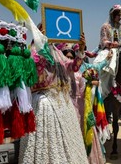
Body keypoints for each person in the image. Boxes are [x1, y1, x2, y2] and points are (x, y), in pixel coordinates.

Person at [19, 32, 88, 163]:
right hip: (44, 102)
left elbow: (73, 67)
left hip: (63, 103)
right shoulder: (33, 50)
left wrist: (81, 49)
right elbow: (36, 69)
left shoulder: (57, 52)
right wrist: (41, 45)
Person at [94, 4, 121, 123]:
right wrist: (113, 45)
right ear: (112, 14)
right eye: (117, 14)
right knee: (104, 63)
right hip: (109, 50)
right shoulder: (105, 26)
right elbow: (103, 40)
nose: (119, 16)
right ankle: (105, 87)